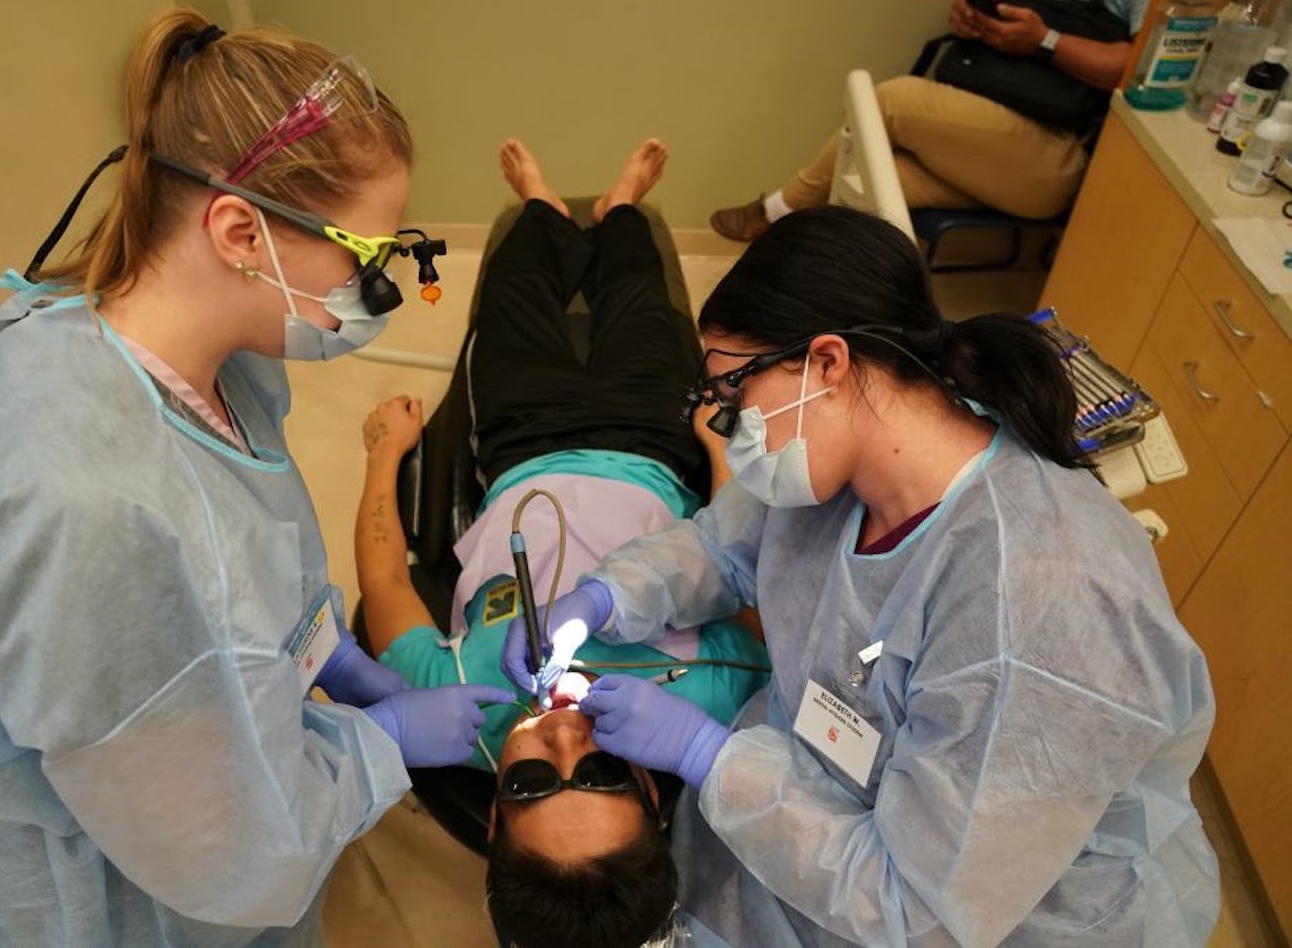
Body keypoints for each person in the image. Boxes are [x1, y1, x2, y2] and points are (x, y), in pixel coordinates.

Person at [0, 11, 509, 945]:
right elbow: (230, 852)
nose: (376, 291)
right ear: (240, 232)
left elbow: (249, 558)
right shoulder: (94, 514)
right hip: (112, 900)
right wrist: (384, 745)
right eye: (364, 257)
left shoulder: (180, 350)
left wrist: (329, 657)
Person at [504, 205, 1220, 945]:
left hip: (976, 912)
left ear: (826, 364)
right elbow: (724, 549)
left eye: (733, 393)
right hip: (819, 804)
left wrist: (706, 755)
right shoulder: (842, 459)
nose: (730, 426)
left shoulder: (1040, 604)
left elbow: (917, 908)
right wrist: (602, 599)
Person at [353, 139, 769, 948]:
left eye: (537, 780)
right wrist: (716, 451)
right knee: (642, 300)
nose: (566, 738)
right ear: (654, 795)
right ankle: (620, 207)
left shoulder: (458, 717)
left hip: (519, 442)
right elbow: (738, 564)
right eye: (604, 773)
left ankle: (540, 203)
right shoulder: (713, 702)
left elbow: (387, 586)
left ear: (495, 814)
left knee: (513, 294)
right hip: (654, 441)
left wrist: (383, 454)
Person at [709, 0, 1148, 241]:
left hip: (1055, 157)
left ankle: (778, 210)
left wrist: (1043, 40)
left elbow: (1137, 65)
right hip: (992, 134)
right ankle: (803, 280)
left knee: (890, 99)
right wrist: (977, 23)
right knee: (869, 181)